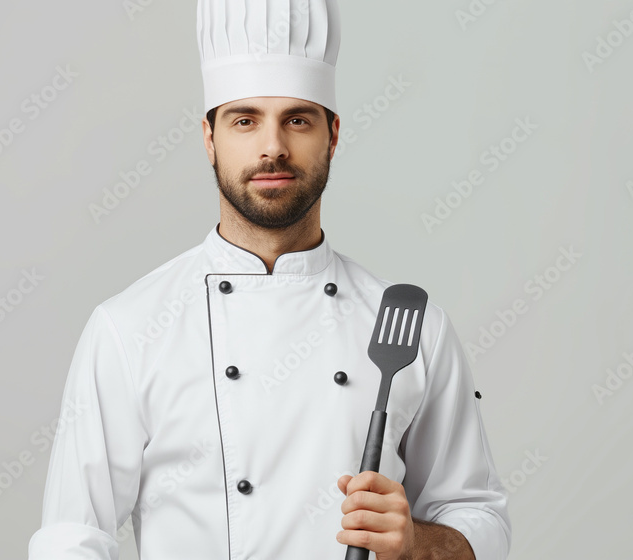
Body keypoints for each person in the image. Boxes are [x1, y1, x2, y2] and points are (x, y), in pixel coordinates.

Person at [27, 1, 511, 558]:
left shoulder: (410, 326)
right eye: (244, 119)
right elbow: (72, 538)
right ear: (209, 138)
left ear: (332, 134)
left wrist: (418, 544)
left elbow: (479, 513)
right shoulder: (128, 328)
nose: (273, 147)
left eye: (298, 119)